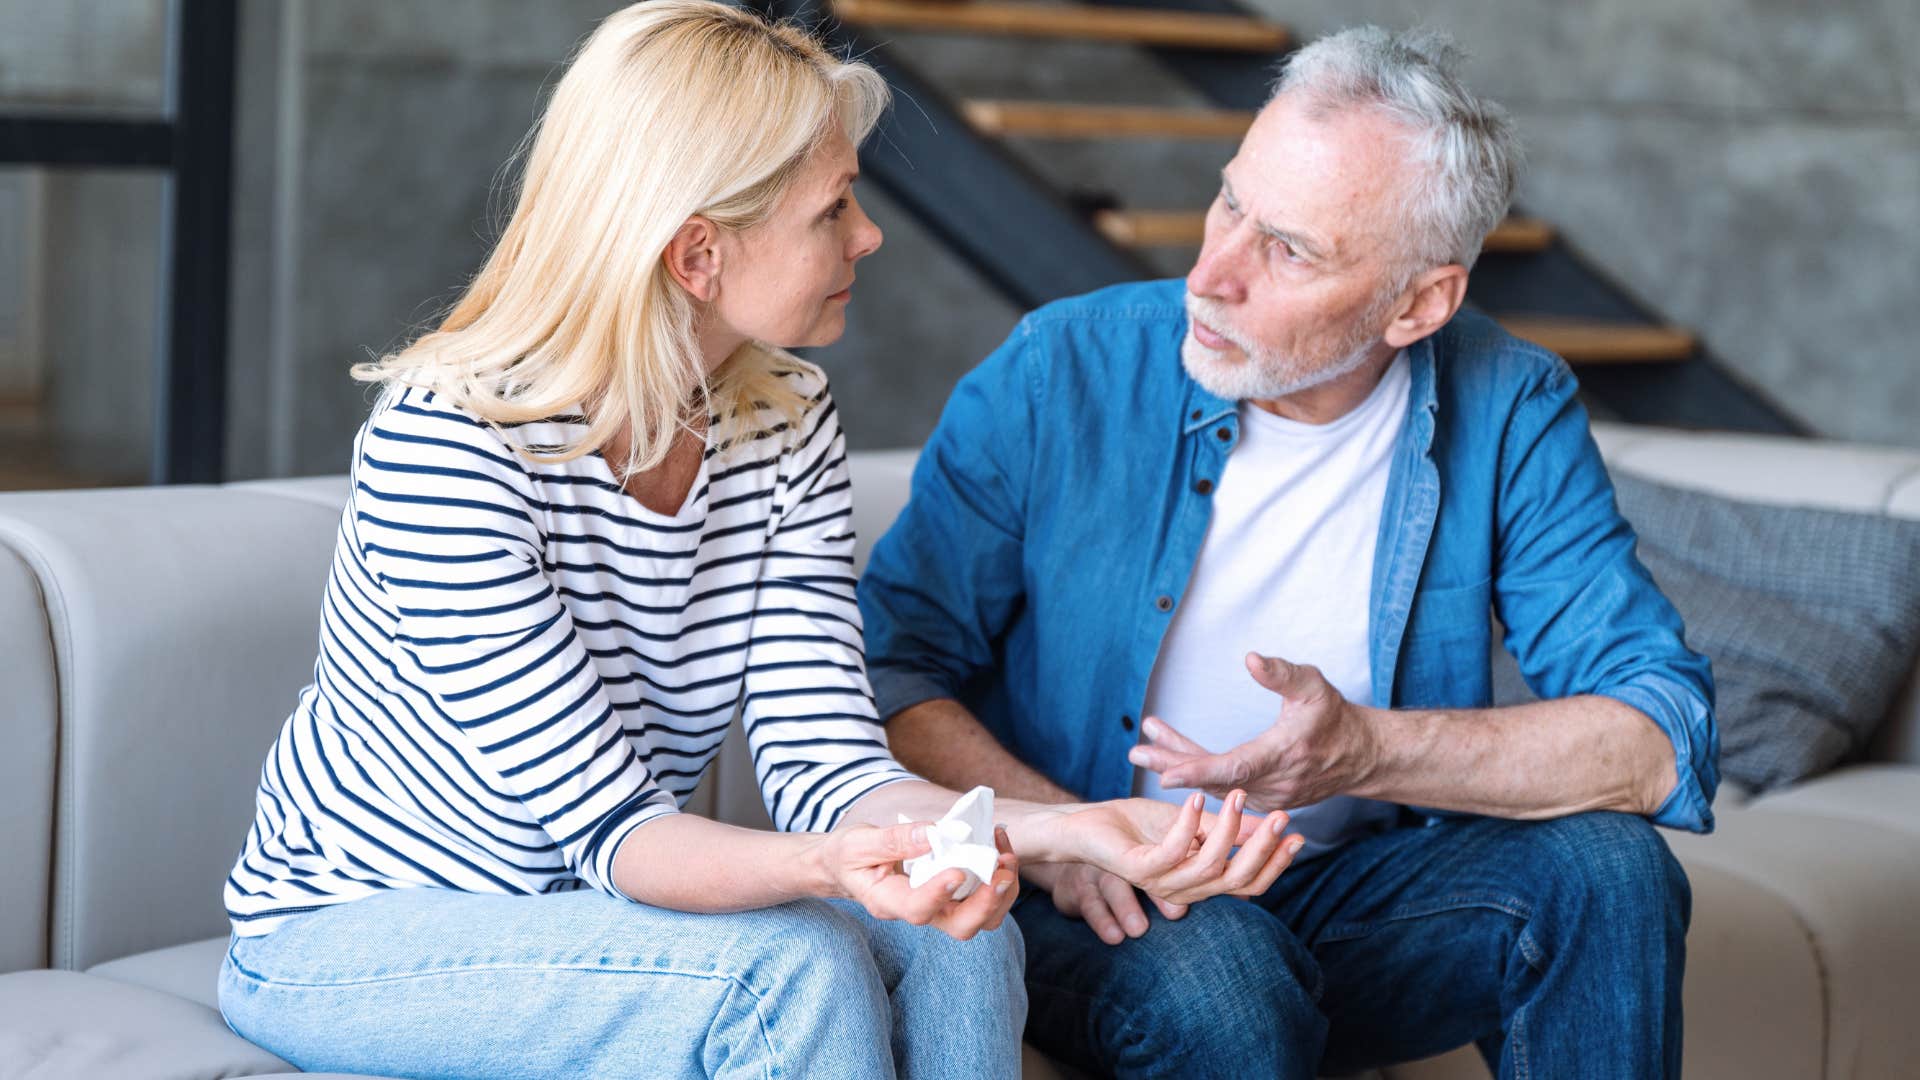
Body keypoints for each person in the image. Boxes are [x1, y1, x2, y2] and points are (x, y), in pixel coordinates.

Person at [217, 4, 1300, 1078]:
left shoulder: (782, 421)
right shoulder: (450, 444)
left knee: (961, 928)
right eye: (833, 208)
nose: (868, 234)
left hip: (595, 914)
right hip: (353, 935)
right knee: (787, 971)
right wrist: (840, 870)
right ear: (699, 253)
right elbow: (615, 835)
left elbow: (828, 761)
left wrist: (1077, 831)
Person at [858, 26, 1717, 1080]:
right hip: (1085, 890)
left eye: (1289, 249)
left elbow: (1658, 737)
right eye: (1230, 204)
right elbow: (890, 667)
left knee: (1611, 873)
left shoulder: (1511, 404)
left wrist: (1364, 751)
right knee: (1221, 977)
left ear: (1420, 304)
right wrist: (1072, 835)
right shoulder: (1061, 367)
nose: (1210, 275)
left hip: (1347, 889)